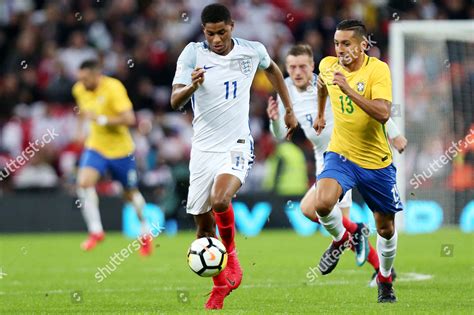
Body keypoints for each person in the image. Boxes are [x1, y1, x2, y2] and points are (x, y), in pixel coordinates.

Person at [170, 3, 298, 310]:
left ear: (232, 27)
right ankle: (219, 285)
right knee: (202, 229)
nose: (216, 39)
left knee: (221, 201)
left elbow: (275, 70)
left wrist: (289, 108)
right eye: (211, 33)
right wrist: (192, 86)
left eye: (222, 32)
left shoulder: (251, 51)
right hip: (203, 149)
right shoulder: (192, 54)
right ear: (204, 31)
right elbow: (175, 100)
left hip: (237, 144)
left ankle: (233, 259)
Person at [267, 44, 407, 284]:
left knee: (311, 210)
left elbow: (369, 110)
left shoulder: (330, 81)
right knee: (332, 222)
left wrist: (394, 134)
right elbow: (281, 134)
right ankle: (379, 265)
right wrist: (276, 121)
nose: (297, 71)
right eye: (292, 67)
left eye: (302, 66)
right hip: (325, 159)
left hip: (348, 153)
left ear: (313, 66)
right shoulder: (286, 91)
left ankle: (355, 238)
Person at [311, 20, 403, 303]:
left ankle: (385, 280)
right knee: (322, 203)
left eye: (346, 44)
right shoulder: (328, 65)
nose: (340, 50)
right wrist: (321, 113)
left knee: (386, 228)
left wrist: (349, 89)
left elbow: (383, 113)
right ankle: (342, 238)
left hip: (376, 161)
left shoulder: (378, 70)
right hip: (342, 153)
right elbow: (322, 85)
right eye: (337, 43)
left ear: (364, 45)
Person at [72, 60, 152, 256]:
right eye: (80, 79)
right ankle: (96, 231)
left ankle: (145, 232)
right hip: (96, 147)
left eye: (86, 79)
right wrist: (80, 131)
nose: (82, 83)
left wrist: (102, 120)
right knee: (83, 183)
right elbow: (83, 112)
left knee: (130, 194)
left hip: (121, 150)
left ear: (97, 75)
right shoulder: (79, 89)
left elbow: (129, 119)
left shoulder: (114, 88)